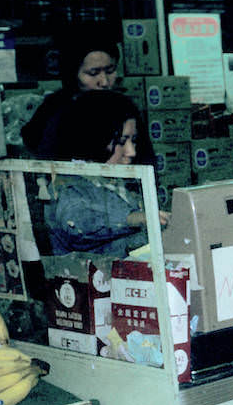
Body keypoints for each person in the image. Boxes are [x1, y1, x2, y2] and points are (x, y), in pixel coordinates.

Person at [45, 90, 168, 256]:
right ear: (95, 139)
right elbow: (77, 226)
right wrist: (134, 219)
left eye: (134, 141)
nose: (131, 152)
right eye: (121, 142)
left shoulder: (117, 182)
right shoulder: (69, 186)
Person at [21, 27, 120, 158]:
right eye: (93, 73)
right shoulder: (54, 110)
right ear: (73, 74)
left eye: (110, 71)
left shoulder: (123, 109)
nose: (104, 82)